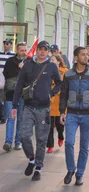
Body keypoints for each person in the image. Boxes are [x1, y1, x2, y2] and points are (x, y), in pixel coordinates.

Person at [12, 40, 61, 182]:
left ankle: (38, 167)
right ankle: (31, 159)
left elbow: (59, 82)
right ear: (37, 50)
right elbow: (19, 86)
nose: (42, 52)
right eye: (40, 49)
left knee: (41, 139)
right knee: (24, 136)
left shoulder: (51, 66)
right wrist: (14, 106)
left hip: (44, 109)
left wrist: (51, 93)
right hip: (28, 107)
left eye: (45, 50)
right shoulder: (28, 65)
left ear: (47, 51)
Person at [60, 46, 89, 187]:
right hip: (71, 113)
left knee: (84, 146)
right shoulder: (68, 75)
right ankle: (71, 169)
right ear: (76, 57)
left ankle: (80, 174)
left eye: (87, 55)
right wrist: (61, 112)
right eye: (83, 55)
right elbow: (63, 94)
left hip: (87, 115)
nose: (86, 57)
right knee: (69, 143)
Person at [3, 41, 26, 151]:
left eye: (25, 50)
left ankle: (18, 142)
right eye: (22, 50)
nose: (24, 52)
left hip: (23, 95)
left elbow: (31, 77)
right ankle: (8, 142)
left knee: (20, 119)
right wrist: (18, 68)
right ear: (17, 51)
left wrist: (24, 69)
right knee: (11, 118)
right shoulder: (10, 61)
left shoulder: (29, 62)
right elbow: (6, 74)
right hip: (10, 95)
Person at [47, 55, 68, 153]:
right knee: (49, 125)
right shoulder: (46, 70)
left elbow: (65, 86)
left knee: (59, 124)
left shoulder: (65, 71)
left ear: (59, 62)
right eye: (50, 60)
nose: (51, 61)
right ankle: (50, 145)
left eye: (53, 60)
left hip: (60, 101)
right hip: (49, 101)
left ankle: (60, 136)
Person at [0, 39, 15, 124]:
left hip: (8, 80)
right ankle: (2, 114)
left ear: (10, 45)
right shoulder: (0, 53)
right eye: (4, 44)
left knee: (6, 98)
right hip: (0, 78)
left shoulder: (13, 55)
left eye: (7, 44)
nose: (5, 45)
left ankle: (4, 117)